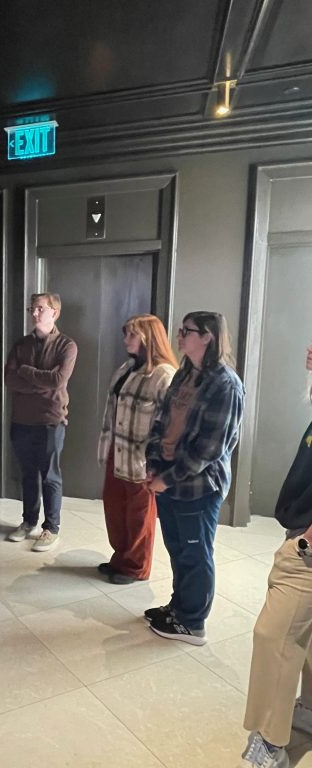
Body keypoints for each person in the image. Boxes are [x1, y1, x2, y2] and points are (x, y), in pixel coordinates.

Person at [144, 311, 244, 645]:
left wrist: (168, 478)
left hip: (197, 486)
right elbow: (161, 422)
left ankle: (193, 623)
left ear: (208, 337)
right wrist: (153, 464)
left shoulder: (226, 385)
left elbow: (209, 449)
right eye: (180, 330)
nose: (179, 336)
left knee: (195, 552)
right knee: (177, 549)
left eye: (187, 331)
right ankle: (179, 608)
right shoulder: (185, 373)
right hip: (169, 479)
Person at [239, 345, 312, 768]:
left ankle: (269, 742)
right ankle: (306, 710)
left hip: (307, 548)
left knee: (275, 638)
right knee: (303, 637)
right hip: (301, 535)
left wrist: (307, 543)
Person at [97, 314, 177, 583]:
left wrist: (158, 463)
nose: (125, 340)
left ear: (147, 338)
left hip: (142, 458)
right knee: (115, 507)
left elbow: (169, 424)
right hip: (116, 451)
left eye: (131, 335)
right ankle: (120, 557)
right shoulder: (126, 368)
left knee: (139, 513)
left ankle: (135, 566)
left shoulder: (164, 375)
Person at [4, 293, 77, 551]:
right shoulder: (21, 344)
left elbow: (57, 381)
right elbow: (9, 380)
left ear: (54, 312)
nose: (34, 313)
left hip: (51, 420)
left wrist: (27, 373)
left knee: (50, 476)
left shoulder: (67, 345)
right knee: (27, 474)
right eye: (32, 309)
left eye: (39, 308)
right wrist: (40, 383)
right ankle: (29, 521)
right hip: (22, 419)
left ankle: (51, 528)